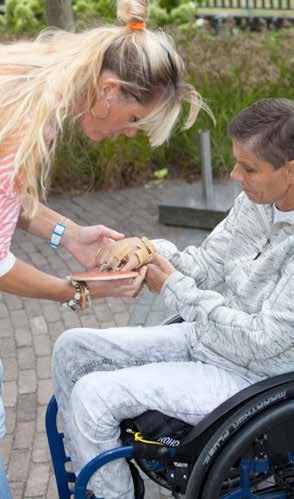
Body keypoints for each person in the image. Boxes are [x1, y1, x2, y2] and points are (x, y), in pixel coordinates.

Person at [0, 0, 205, 493]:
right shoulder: (21, 122)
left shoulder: (29, 91)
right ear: (108, 90)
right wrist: (80, 290)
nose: (130, 133)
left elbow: (14, 202)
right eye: (134, 118)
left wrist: (70, 236)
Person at [52, 97, 294, 498]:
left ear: (291, 171)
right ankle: (98, 487)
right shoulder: (256, 205)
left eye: (249, 168)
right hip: (210, 341)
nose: (235, 176)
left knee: (94, 396)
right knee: (71, 348)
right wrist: (148, 250)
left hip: (252, 379)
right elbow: (206, 263)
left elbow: (266, 340)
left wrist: (173, 289)